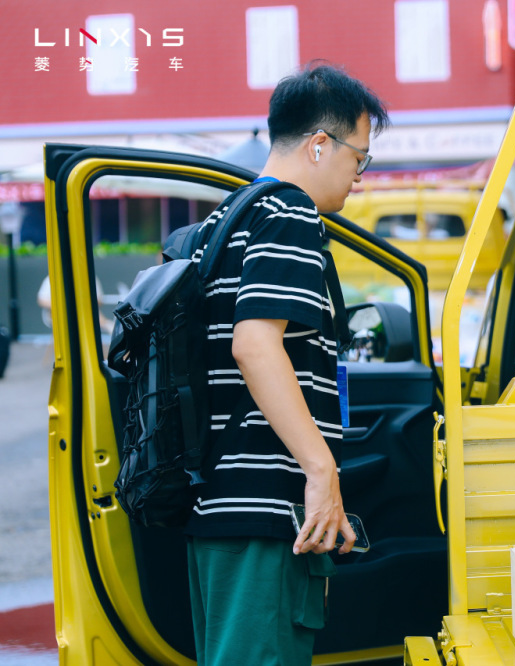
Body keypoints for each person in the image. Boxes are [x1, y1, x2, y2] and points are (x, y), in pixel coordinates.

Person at [183, 62, 389, 665]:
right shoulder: (290, 214)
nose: (360, 174)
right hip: (265, 511)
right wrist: (322, 473)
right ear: (320, 145)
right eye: (359, 156)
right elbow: (254, 342)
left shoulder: (222, 223)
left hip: (221, 507)